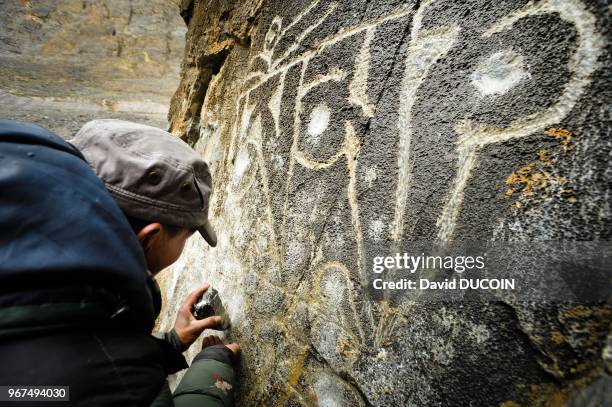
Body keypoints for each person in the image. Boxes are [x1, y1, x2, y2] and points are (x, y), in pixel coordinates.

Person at [0, 119, 238, 406]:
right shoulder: (122, 384)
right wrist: (212, 371)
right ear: (149, 238)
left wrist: (169, 344)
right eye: (186, 237)